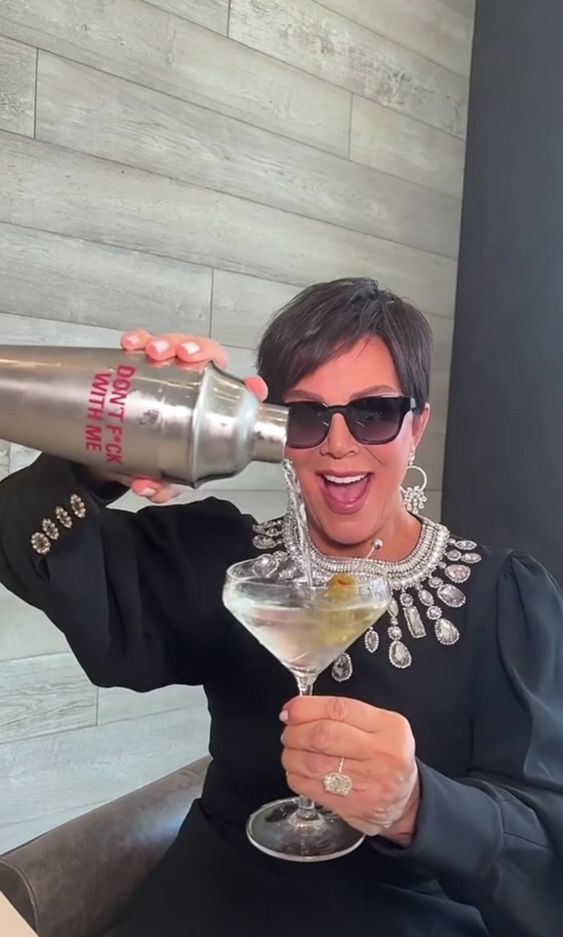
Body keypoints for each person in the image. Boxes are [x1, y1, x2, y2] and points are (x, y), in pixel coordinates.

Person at [0, 277, 562, 937]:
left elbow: (540, 836)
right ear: (274, 429)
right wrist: (120, 439)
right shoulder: (229, 559)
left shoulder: (503, 596)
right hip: (212, 903)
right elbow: (23, 538)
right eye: (307, 414)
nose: (337, 443)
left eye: (374, 411)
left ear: (416, 424)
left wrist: (416, 805)